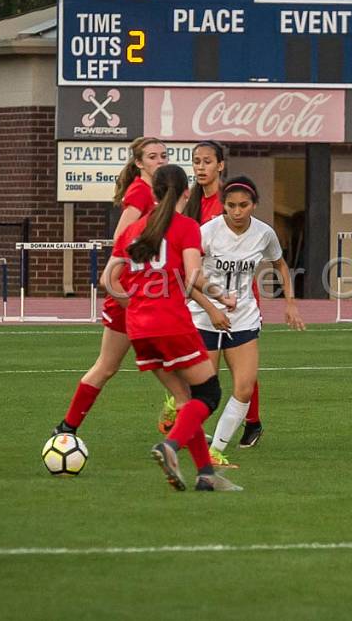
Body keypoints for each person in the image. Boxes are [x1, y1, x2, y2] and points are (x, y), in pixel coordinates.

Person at [103, 164, 241, 492]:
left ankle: (206, 474)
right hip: (171, 324)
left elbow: (108, 279)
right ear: (185, 192)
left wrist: (134, 306)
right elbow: (193, 275)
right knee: (209, 394)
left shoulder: (132, 230)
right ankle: (171, 445)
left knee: (184, 398)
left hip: (139, 329)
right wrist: (222, 296)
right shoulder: (186, 226)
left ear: (153, 193)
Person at [52, 137, 186, 436]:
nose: (160, 161)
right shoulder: (140, 193)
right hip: (132, 296)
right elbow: (122, 240)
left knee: (174, 366)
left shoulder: (160, 195)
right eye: (153, 156)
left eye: (164, 155)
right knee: (109, 366)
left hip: (150, 296)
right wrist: (127, 289)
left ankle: (182, 424)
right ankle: (66, 427)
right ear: (139, 163)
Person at [190, 176, 306, 467]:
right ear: (223, 205)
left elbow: (279, 263)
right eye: (231, 205)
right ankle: (179, 434)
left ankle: (215, 451)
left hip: (243, 317)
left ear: (254, 205)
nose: (237, 211)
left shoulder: (264, 234)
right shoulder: (207, 231)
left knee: (244, 387)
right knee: (206, 391)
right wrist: (213, 308)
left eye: (244, 205)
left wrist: (290, 303)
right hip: (204, 317)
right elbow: (188, 276)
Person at [160, 141, 269, 448]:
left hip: (235, 295)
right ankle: (182, 409)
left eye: (207, 161)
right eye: (196, 161)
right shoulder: (193, 201)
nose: (200, 167)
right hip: (200, 292)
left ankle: (249, 422)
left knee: (241, 364)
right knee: (205, 363)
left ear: (221, 165)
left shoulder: (228, 201)